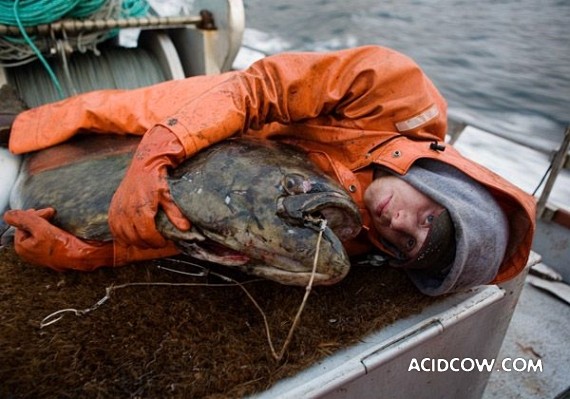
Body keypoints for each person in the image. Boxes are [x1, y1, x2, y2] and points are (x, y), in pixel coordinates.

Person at [2, 45, 536, 296]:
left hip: (246, 162)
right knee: (112, 112)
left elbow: (209, 228)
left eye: (408, 245)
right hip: (243, 110)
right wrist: (159, 151)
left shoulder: (347, 237)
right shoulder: (399, 94)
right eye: (429, 221)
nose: (399, 226)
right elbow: (267, 86)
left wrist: (89, 253)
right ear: (443, 185)